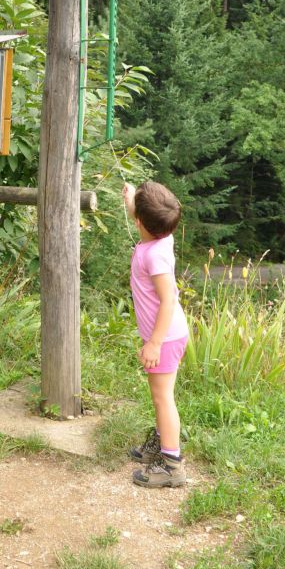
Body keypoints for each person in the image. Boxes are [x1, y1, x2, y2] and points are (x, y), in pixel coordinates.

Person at [123, 180, 188, 488]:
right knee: (161, 395)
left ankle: (172, 465)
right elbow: (148, 215)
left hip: (166, 336)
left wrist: (154, 342)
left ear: (140, 222)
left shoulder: (154, 256)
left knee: (163, 398)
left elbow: (168, 299)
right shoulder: (163, 234)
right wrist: (131, 199)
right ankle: (162, 443)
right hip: (171, 333)